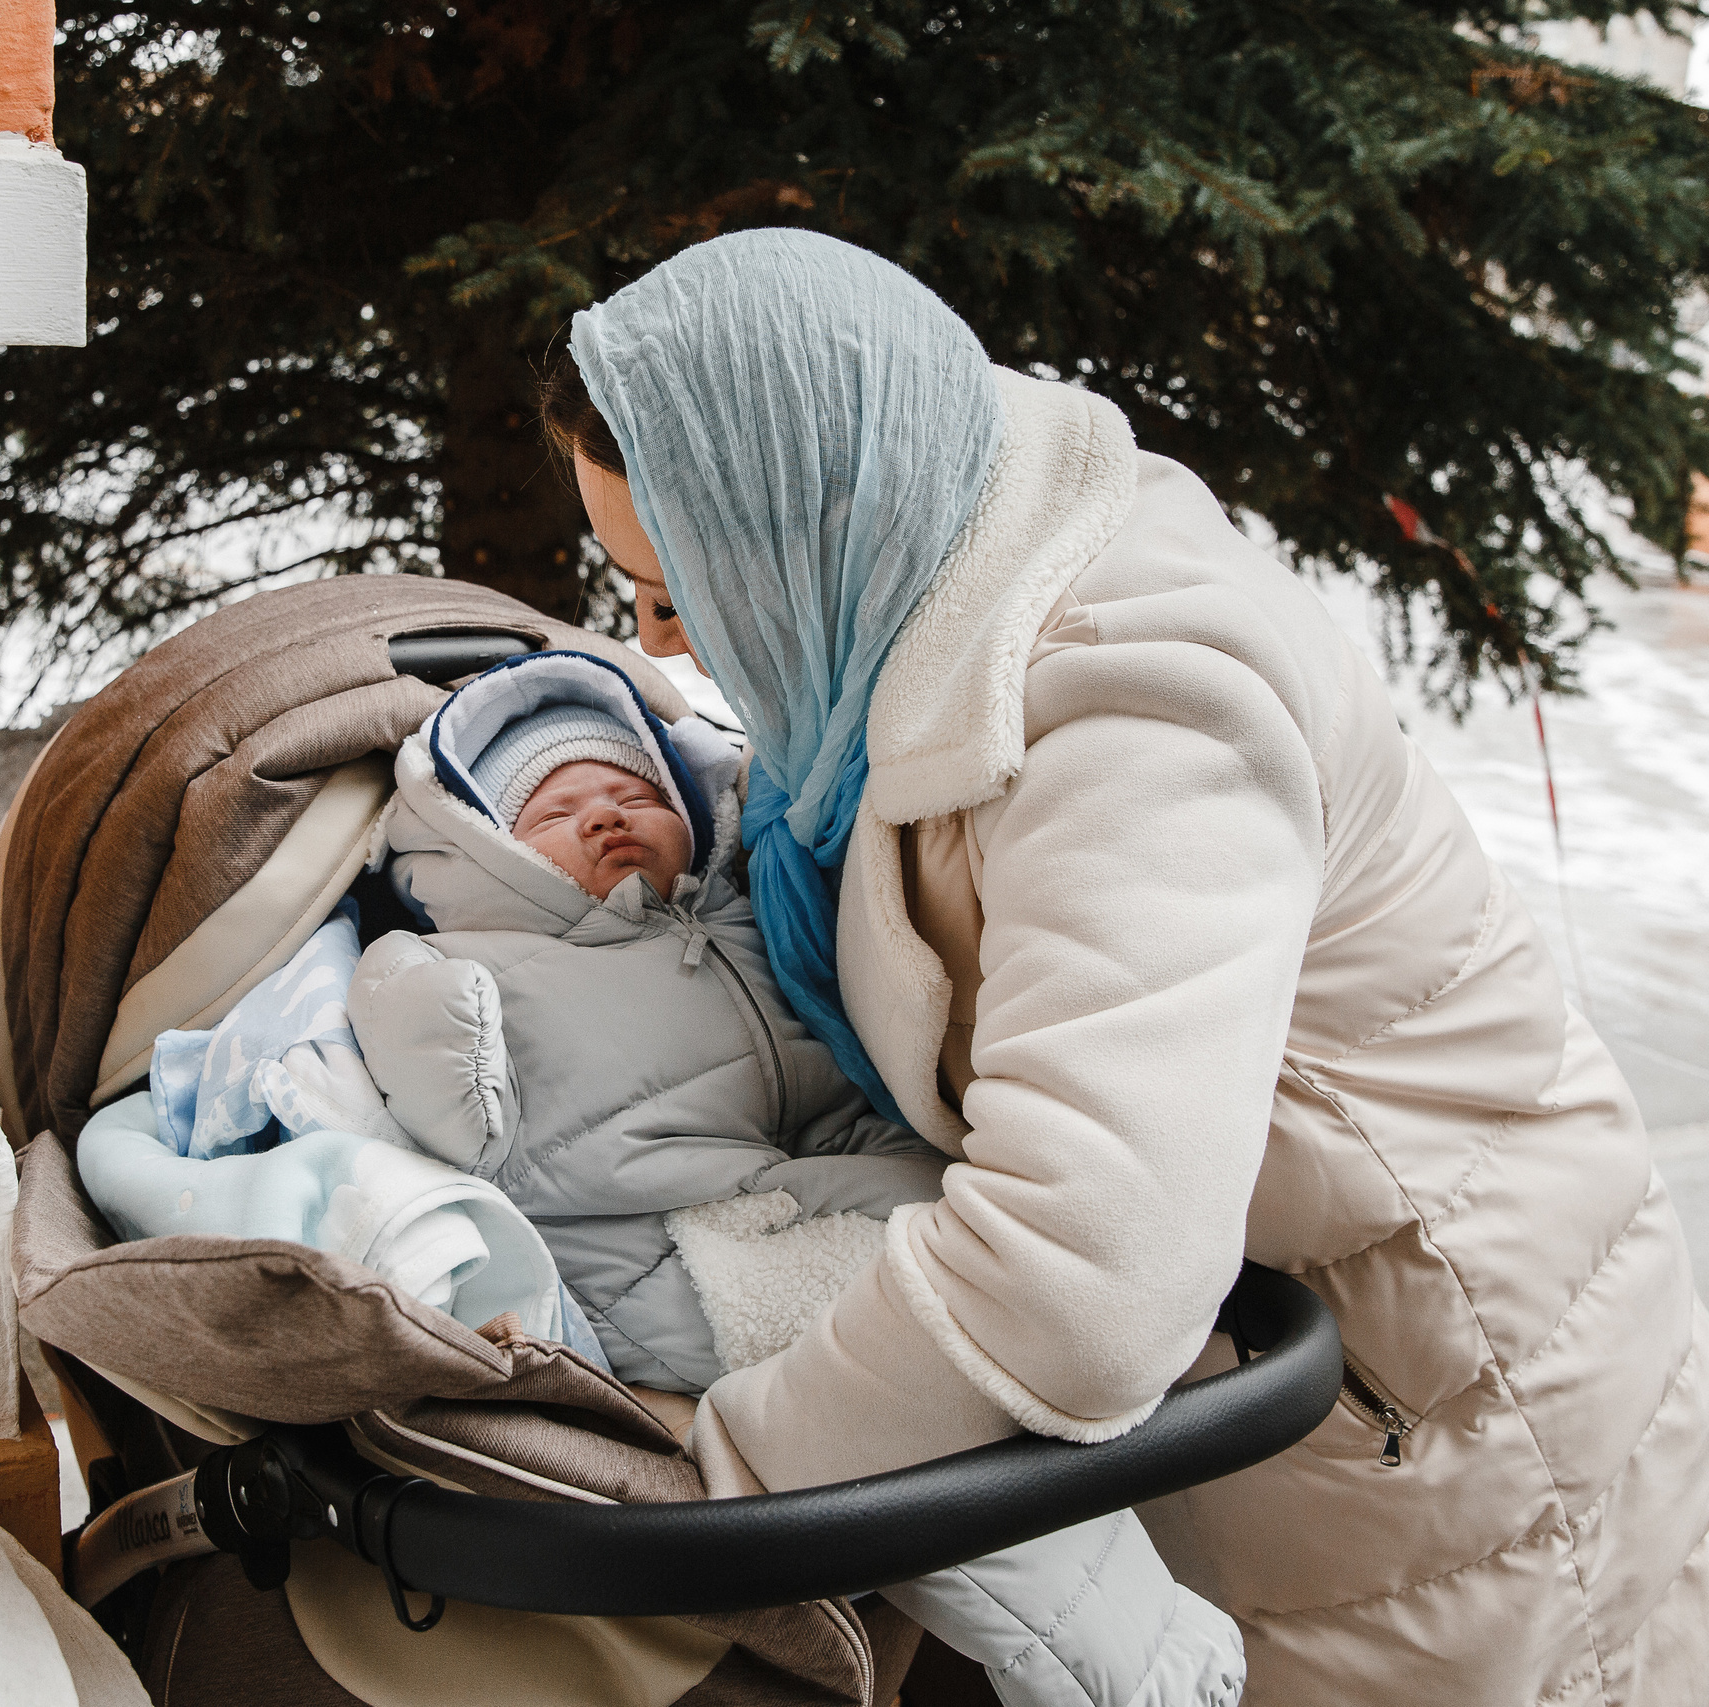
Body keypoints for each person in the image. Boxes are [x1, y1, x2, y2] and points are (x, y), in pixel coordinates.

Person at [541, 226, 1709, 1702]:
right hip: (1269, 1375)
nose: (672, 647)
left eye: (678, 591)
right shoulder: (907, 557)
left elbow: (1083, 1275)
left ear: (807, 523)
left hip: (1429, 1410)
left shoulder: (1142, 720)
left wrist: (717, 1483)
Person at [351, 646, 1246, 1707]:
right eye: (554, 814)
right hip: (665, 1258)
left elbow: (838, 1094)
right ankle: (1145, 1680)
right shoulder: (483, 962)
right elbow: (420, 1066)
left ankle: (1124, 1431)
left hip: (796, 1197)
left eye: (631, 791)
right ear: (488, 853)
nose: (604, 817)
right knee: (914, 1393)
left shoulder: (744, 918)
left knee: (985, 1274)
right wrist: (424, 1009)